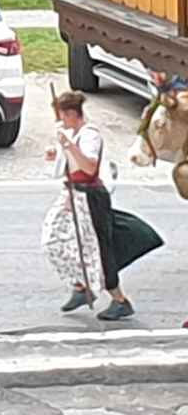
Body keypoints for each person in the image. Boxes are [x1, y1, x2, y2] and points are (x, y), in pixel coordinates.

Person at [42, 90, 163, 321]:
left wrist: (68, 146)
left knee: (97, 249)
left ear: (71, 114)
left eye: (62, 116)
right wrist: (57, 151)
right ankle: (81, 285)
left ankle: (119, 300)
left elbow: (89, 167)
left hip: (90, 196)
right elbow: (71, 161)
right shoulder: (73, 132)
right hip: (74, 193)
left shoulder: (90, 135)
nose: (60, 121)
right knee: (55, 239)